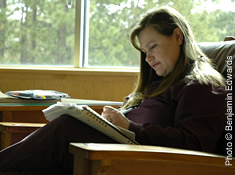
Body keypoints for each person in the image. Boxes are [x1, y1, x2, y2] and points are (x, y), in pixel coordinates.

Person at [0, 6, 227, 175]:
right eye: (144, 51)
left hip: (136, 162)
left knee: (65, 128)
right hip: (114, 152)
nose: (148, 58)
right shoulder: (159, 84)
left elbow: (195, 144)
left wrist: (130, 127)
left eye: (153, 46)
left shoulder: (203, 85)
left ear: (178, 36)